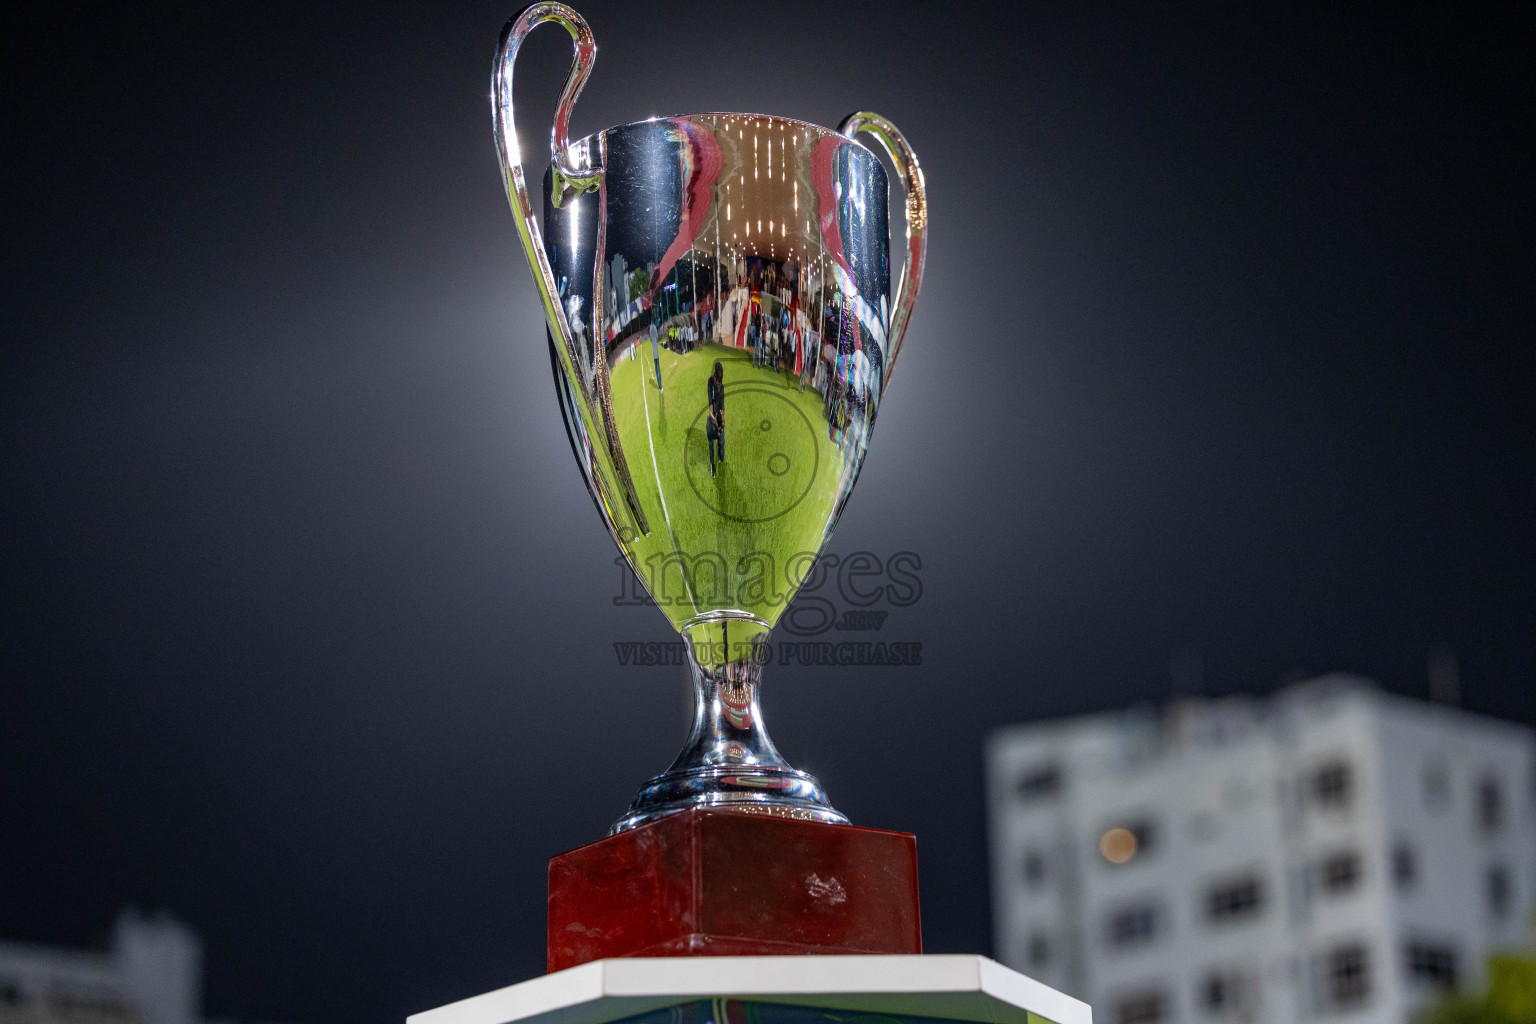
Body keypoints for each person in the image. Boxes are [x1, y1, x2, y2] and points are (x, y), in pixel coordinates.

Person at [706, 361, 725, 475]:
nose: (719, 387)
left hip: (718, 416)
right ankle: (712, 465)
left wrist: (722, 423)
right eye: (718, 384)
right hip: (712, 417)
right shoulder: (710, 382)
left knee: (721, 443)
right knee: (710, 442)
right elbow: (711, 408)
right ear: (715, 377)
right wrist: (716, 426)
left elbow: (722, 408)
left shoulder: (722, 386)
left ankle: (720, 456)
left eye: (720, 385)